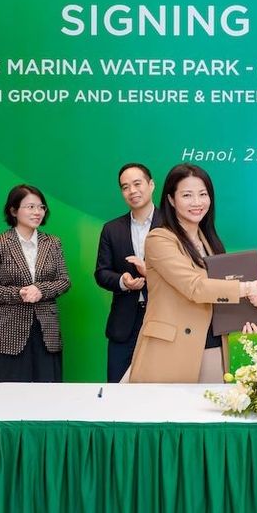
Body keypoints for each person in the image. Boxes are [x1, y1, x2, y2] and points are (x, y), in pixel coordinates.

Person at [125, 164, 257, 383]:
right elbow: (194, 286)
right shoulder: (160, 239)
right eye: (187, 195)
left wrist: (246, 317)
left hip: (211, 348)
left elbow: (217, 295)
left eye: (203, 194)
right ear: (172, 200)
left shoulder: (210, 242)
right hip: (170, 353)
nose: (197, 202)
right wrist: (249, 288)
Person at [0, 184, 71, 390]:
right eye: (30, 207)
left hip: (46, 333)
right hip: (8, 334)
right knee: (6, 399)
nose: (37, 212)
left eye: (41, 207)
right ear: (13, 210)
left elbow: (64, 281)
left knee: (46, 397)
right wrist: (18, 293)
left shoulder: (53, 243)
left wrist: (41, 290)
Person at [94, 163, 160, 382]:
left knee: (161, 390)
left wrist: (149, 272)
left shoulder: (172, 225)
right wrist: (123, 280)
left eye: (137, 184)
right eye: (125, 187)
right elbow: (102, 273)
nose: (132, 191)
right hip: (124, 323)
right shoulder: (111, 229)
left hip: (163, 319)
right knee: (117, 388)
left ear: (151, 185)